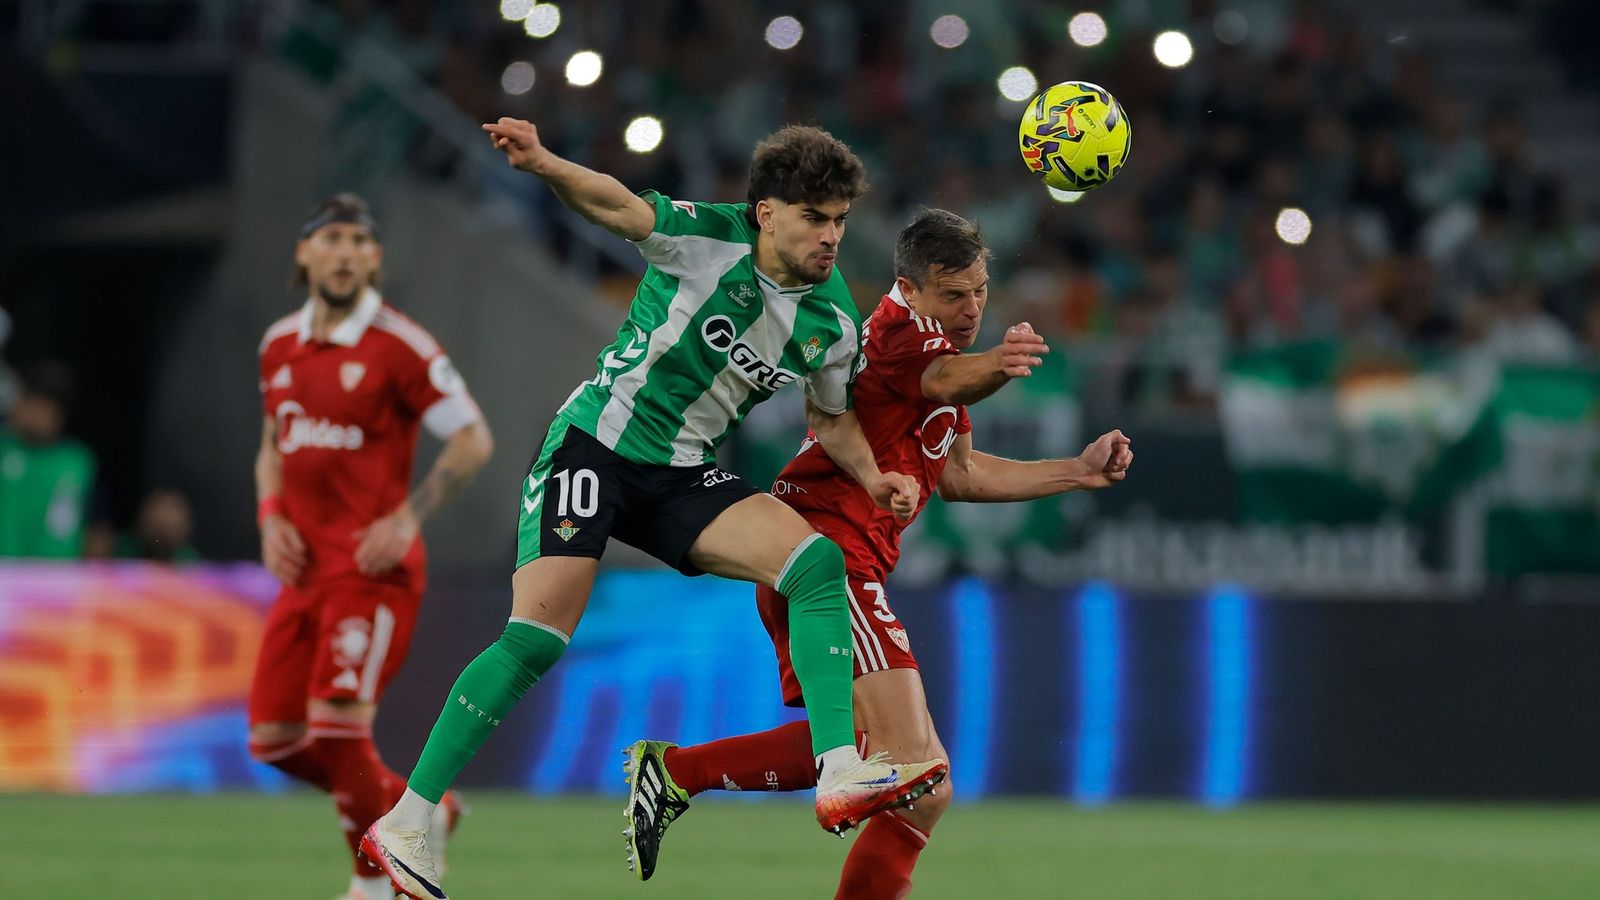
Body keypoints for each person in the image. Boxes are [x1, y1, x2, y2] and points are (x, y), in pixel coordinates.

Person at [362, 119, 948, 900]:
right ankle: (406, 820)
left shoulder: (833, 316)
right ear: (767, 212)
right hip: (595, 449)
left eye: (840, 220)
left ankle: (839, 769)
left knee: (815, 564)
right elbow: (616, 205)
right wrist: (544, 163)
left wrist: (873, 478)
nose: (831, 236)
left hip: (679, 475)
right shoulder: (708, 238)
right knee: (535, 639)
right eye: (815, 217)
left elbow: (832, 417)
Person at [622, 210, 1134, 895]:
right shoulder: (899, 334)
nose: (972, 308)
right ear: (910, 288)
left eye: (980, 291)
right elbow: (948, 381)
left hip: (847, 562)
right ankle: (681, 773)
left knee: (912, 781)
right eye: (954, 295)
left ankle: (677, 772)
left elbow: (959, 474)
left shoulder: (934, 346)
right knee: (914, 768)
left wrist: (1075, 471)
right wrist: (999, 365)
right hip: (825, 558)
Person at [249, 193, 495, 900]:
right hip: (304, 573)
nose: (346, 253)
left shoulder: (400, 345)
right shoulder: (278, 345)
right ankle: (426, 814)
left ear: (375, 259)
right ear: (304, 253)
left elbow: (473, 438)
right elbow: (272, 446)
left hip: (370, 572)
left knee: (336, 730)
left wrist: (407, 517)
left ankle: (375, 882)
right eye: (331, 238)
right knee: (273, 739)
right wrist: (271, 517)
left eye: (360, 241)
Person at [0, 361, 99, 559]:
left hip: (57, 574)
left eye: (42, 406)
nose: (34, 414)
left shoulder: (79, 462)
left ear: (59, 413)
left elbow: (97, 527)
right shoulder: (4, 449)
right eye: (28, 402)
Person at [113, 487, 201, 563]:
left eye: (169, 524)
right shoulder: (125, 550)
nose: (164, 527)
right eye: (159, 522)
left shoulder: (189, 560)